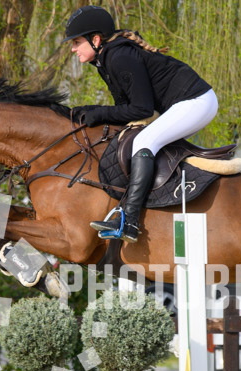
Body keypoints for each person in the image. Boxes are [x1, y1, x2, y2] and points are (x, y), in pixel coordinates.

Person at [63, 5, 218, 243]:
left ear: (95, 40)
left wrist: (98, 113)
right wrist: (91, 111)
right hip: (185, 104)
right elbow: (125, 109)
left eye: (76, 42)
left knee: (145, 141)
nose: (73, 49)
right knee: (135, 137)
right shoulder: (105, 60)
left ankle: (129, 221)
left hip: (196, 102)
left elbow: (142, 109)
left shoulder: (119, 57)